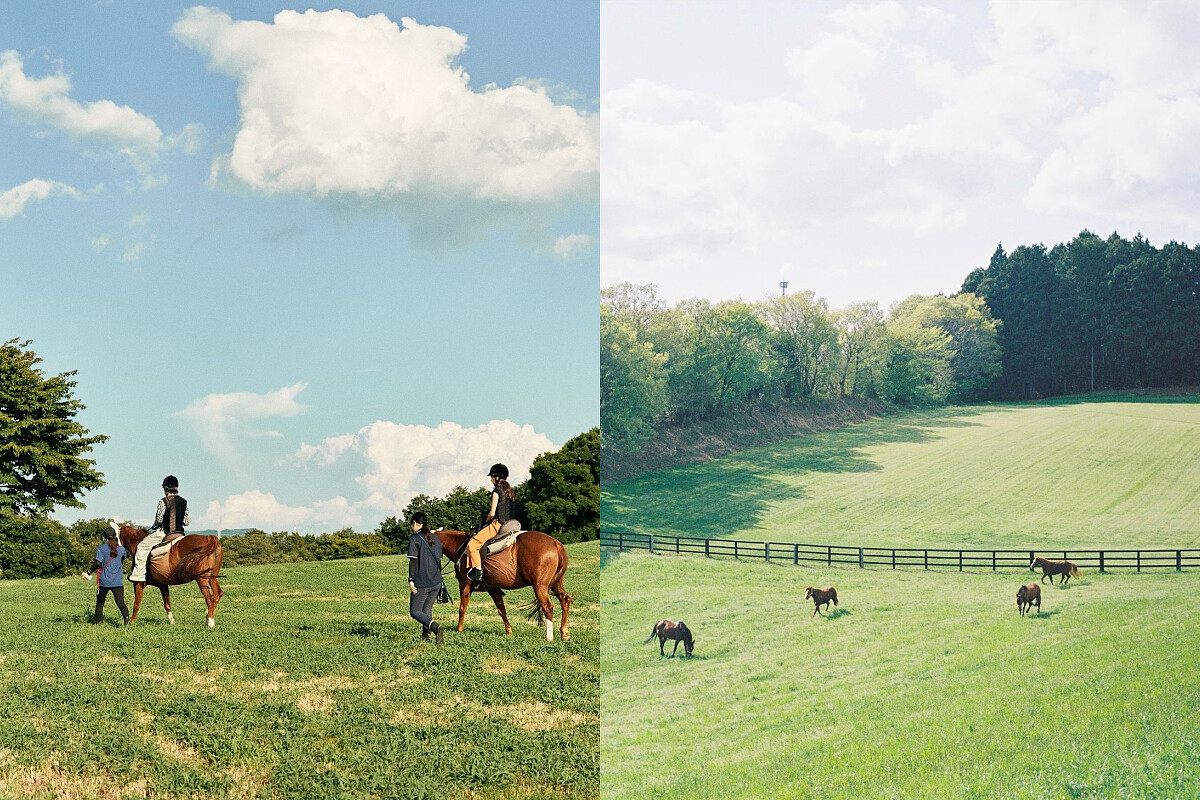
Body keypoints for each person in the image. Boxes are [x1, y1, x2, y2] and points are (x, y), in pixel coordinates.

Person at [130, 475, 189, 583]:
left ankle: (139, 574)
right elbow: (187, 522)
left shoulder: (163, 501)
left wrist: (154, 526)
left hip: (165, 533)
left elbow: (159, 520)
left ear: (165, 489)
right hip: (180, 534)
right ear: (176, 488)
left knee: (142, 547)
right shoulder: (184, 501)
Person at [465, 463, 516, 583]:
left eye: (492, 477)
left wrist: (487, 520)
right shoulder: (511, 491)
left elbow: (492, 513)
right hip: (513, 524)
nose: (491, 480)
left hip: (498, 525)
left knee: (472, 545)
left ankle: (477, 571)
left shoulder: (496, 491)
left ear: (497, 477)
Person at [407, 512, 444, 644]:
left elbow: (413, 562)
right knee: (426, 610)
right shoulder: (436, 538)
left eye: (412, 524)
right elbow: (439, 561)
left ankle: (436, 627)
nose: (412, 527)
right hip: (436, 581)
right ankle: (426, 635)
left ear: (416, 524)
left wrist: (411, 580)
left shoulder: (415, 539)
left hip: (422, 582)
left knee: (415, 611)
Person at [84, 524, 130, 624]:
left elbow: (97, 563)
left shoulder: (101, 548)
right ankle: (126, 619)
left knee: (100, 603)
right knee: (121, 603)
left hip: (104, 581)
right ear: (115, 536)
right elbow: (126, 556)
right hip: (117, 581)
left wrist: (89, 572)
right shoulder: (121, 550)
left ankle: (98, 622)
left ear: (105, 537)